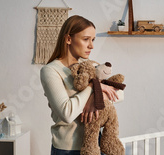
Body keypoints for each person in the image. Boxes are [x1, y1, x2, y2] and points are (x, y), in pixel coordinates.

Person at [40, 15, 124, 155]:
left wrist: (97, 95)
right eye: (86, 39)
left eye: (93, 40)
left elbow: (120, 94)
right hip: (67, 149)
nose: (91, 45)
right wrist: (93, 88)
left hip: (96, 145)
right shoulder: (50, 71)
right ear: (68, 39)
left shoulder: (90, 66)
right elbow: (67, 113)